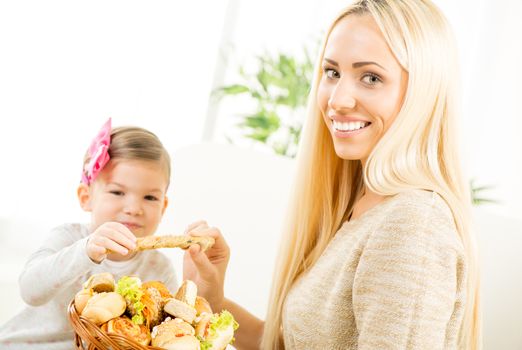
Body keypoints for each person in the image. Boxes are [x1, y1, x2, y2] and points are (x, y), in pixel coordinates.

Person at [182, 0, 481, 349]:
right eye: (333, 72)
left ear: (423, 94)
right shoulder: (362, 205)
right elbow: (288, 343)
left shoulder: (412, 224)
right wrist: (212, 301)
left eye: (370, 77)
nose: (337, 100)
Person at [0, 118, 178, 349]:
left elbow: (163, 336)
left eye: (150, 197)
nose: (134, 208)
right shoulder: (67, 239)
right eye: (117, 192)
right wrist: (85, 252)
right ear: (86, 198)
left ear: (163, 207)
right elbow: (30, 291)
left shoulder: (159, 268)